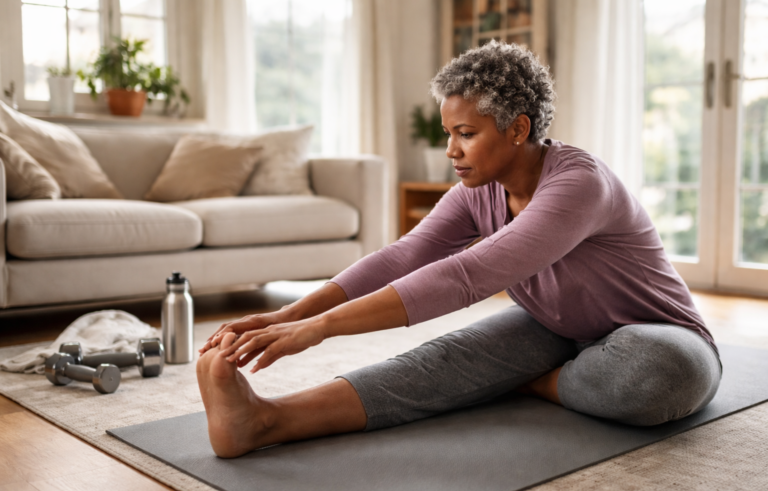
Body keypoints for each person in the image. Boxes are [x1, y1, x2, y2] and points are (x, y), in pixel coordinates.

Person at [196, 41, 721, 459]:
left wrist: (321, 330)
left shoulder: (578, 184)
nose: (450, 150)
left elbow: (468, 274)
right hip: (560, 332)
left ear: (519, 129)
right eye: (449, 133)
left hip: (657, 339)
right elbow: (402, 257)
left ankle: (527, 381)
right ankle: (262, 420)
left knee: (657, 376)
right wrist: (291, 313)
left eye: (465, 134)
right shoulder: (477, 191)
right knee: (441, 359)